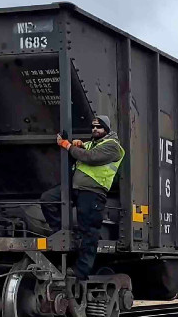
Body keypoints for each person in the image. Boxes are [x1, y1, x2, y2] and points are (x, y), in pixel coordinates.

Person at [41, 115, 125, 281]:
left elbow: (90, 157)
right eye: (93, 127)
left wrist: (67, 145)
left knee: (89, 232)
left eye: (99, 127)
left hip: (93, 192)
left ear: (106, 130)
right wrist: (77, 144)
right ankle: (61, 233)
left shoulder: (113, 146)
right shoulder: (93, 143)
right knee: (48, 199)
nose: (94, 130)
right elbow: (83, 150)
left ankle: (81, 270)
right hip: (75, 188)